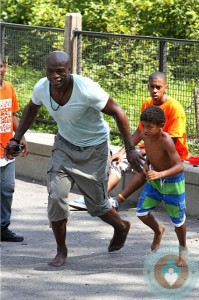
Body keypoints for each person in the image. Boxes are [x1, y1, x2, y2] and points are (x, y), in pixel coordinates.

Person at [5, 50, 144, 266]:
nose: (55, 76)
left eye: (60, 71)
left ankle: (121, 226)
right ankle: (61, 250)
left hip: (94, 149)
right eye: (50, 71)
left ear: (69, 69)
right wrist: (17, 137)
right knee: (57, 199)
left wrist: (130, 149)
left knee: (97, 205)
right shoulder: (42, 87)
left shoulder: (86, 89)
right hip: (65, 146)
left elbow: (118, 111)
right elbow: (31, 108)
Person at [70, 71, 188, 210]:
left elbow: (171, 144)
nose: (155, 91)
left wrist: (147, 152)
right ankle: (96, 198)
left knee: (143, 167)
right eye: (152, 86)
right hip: (149, 148)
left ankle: (117, 201)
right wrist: (123, 151)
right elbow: (139, 131)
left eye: (158, 87)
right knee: (119, 161)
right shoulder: (147, 104)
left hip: (170, 155)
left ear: (165, 88)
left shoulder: (175, 109)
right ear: (147, 86)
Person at [136, 105, 187, 267]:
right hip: (155, 180)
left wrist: (160, 174)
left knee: (178, 221)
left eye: (149, 127)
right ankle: (158, 230)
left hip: (173, 183)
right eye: (143, 126)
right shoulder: (146, 136)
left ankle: (183, 249)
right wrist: (146, 163)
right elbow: (150, 153)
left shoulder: (166, 140)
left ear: (160, 127)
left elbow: (180, 166)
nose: (145, 130)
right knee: (141, 212)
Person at [0, 55, 28, 242]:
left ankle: (2, 227)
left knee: (7, 188)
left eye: (0, 66)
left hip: (7, 149)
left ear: (6, 67)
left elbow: (12, 115)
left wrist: (21, 137)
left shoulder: (9, 88)